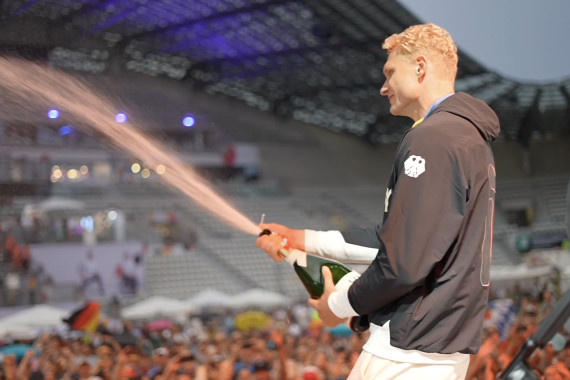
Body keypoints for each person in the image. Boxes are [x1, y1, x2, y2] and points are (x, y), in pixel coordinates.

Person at [256, 23, 500, 380]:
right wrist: (299, 238)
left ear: (420, 67)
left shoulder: (433, 139)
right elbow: (396, 242)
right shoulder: (464, 137)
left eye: (390, 72)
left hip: (410, 352)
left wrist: (336, 306)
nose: (383, 87)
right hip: (435, 347)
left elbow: (403, 264)